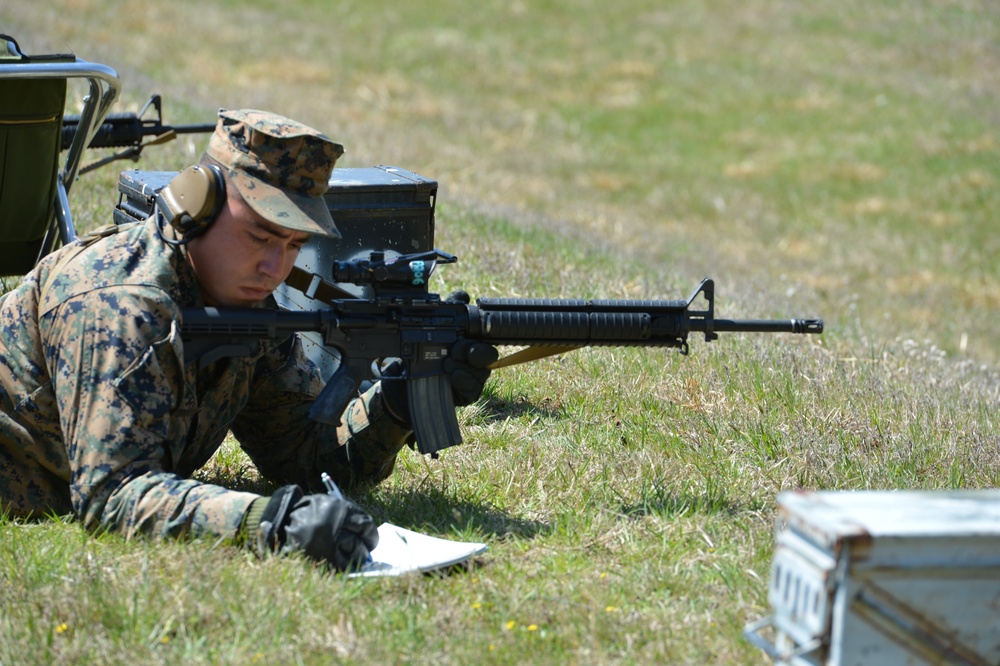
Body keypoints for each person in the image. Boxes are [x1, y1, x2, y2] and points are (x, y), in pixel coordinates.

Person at [0, 109, 496, 571]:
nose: (274, 268)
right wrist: (269, 523)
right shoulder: (119, 303)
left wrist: (395, 405)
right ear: (195, 205)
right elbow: (113, 496)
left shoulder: (249, 308)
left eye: (293, 246)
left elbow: (301, 454)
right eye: (260, 237)